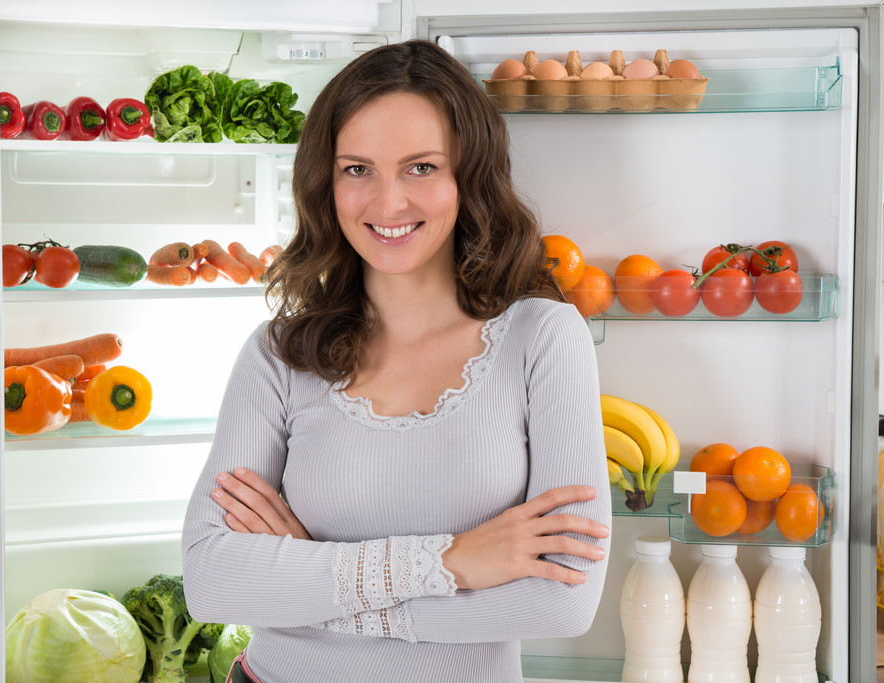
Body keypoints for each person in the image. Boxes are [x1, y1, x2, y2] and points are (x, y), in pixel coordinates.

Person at [181, 38, 611, 683]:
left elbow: (563, 599)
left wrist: (310, 582)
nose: (387, 205)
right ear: (325, 183)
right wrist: (454, 561)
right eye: (357, 169)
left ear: (470, 174)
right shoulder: (278, 354)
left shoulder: (543, 338)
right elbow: (213, 582)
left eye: (421, 167)